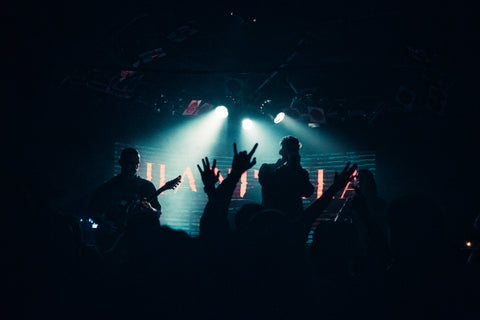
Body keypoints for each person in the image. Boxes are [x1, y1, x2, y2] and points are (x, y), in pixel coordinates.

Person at [88, 147, 162, 255]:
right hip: (112, 241)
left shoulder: (146, 187)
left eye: (137, 163)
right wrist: (104, 224)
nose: (135, 167)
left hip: (137, 242)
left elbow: (157, 212)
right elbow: (92, 210)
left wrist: (150, 209)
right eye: (131, 163)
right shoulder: (108, 187)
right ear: (121, 162)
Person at [258, 136, 314, 220]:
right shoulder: (267, 168)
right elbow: (269, 184)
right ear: (281, 151)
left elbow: (308, 192)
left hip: (294, 218)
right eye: (290, 149)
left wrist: (298, 168)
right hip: (272, 218)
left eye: (295, 150)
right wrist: (288, 166)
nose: (293, 153)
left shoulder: (301, 172)